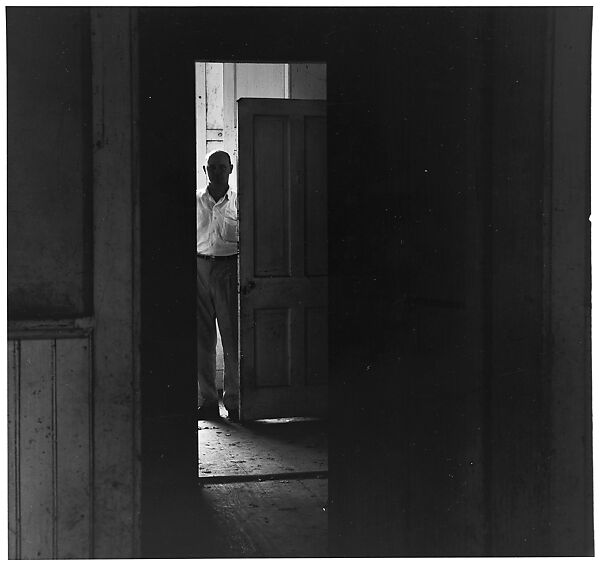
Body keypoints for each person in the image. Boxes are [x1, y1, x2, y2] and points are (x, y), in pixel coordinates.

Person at [196, 149, 239, 421]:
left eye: (222, 167)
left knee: (232, 338)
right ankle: (208, 401)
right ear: (205, 170)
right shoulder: (195, 200)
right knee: (202, 340)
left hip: (229, 269)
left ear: (231, 169)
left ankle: (234, 401)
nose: (217, 171)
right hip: (199, 268)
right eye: (212, 167)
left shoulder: (238, 201)